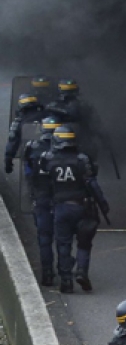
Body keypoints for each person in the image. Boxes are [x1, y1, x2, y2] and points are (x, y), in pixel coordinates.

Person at [40, 125, 109, 293]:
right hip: (82, 207)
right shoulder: (82, 159)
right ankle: (82, 272)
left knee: (63, 244)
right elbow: (92, 183)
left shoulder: (48, 159)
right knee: (84, 243)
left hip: (60, 209)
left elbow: (43, 184)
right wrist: (103, 204)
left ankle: (66, 282)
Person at [22, 115, 64, 286]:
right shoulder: (67, 151)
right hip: (61, 198)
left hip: (41, 197)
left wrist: (32, 191)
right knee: (63, 238)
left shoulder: (32, 147)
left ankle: (47, 274)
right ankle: (65, 274)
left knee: (44, 237)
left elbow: (28, 172)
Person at [4, 93, 47, 173]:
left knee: (30, 181)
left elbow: (12, 143)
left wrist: (8, 161)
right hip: (49, 157)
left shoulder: (19, 122)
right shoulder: (47, 118)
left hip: (30, 158)